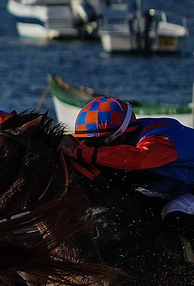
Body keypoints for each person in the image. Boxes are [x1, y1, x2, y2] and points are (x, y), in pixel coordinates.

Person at [63, 96, 194, 238]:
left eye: (98, 143)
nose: (95, 148)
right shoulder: (129, 136)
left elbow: (139, 159)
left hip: (187, 187)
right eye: (88, 143)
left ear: (121, 136)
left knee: (173, 212)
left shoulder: (160, 138)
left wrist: (83, 152)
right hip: (181, 185)